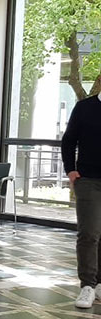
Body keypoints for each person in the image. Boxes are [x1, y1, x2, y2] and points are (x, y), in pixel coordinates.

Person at [63, 93, 101, 308]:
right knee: (89, 232)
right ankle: (87, 284)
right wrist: (71, 170)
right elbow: (69, 140)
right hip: (87, 180)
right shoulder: (84, 107)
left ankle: (99, 284)